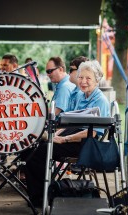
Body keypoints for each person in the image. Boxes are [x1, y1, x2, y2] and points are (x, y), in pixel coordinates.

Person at [24, 60, 110, 207]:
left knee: (39, 152)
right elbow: (69, 120)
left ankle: (42, 197)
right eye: (81, 77)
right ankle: (44, 193)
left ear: (97, 80)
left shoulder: (100, 100)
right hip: (73, 136)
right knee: (32, 146)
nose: (83, 81)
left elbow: (93, 133)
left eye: (88, 78)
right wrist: (54, 134)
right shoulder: (81, 96)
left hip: (86, 144)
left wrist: (65, 139)